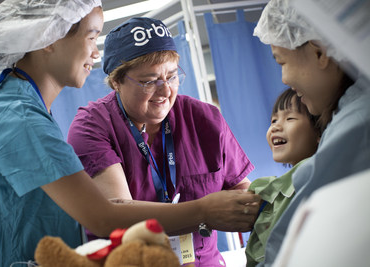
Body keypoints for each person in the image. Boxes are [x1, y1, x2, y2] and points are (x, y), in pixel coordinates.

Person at [0, 2, 260, 266]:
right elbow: (104, 217)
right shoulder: (21, 117)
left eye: (171, 76)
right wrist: (204, 211)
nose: (96, 53)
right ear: (50, 37)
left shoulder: (20, 107)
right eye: (91, 36)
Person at [67, 17, 258, 267]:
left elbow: (239, 187)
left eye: (172, 76)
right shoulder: (92, 127)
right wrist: (205, 212)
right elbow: (117, 215)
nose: (166, 90)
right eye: (149, 81)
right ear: (116, 81)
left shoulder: (204, 118)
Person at [251, 0, 370, 266]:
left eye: (282, 61)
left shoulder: (357, 126)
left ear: (319, 53)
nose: (284, 79)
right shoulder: (348, 116)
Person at [245, 88, 321, 266]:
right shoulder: (283, 188)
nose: (275, 127)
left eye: (290, 118)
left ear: (319, 131)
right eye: (273, 120)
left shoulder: (311, 177)